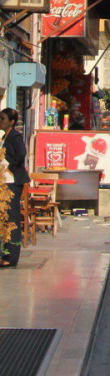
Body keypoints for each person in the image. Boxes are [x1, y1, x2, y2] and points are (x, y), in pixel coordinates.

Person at [0, 108, 29, 267]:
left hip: (13, 183)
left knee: (12, 219)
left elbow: (21, 154)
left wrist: (9, 165)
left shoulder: (15, 137)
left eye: (3, 119)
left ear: (11, 121)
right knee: (5, 219)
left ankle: (11, 257)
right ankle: (5, 253)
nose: (0, 121)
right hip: (5, 183)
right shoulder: (5, 136)